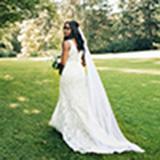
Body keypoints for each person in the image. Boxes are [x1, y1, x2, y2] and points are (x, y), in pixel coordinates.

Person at [48, 20, 145, 154]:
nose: (65, 31)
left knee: (70, 100)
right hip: (80, 74)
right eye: (64, 28)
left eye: (67, 29)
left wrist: (58, 63)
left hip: (70, 73)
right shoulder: (81, 44)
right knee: (79, 101)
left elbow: (64, 62)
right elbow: (83, 62)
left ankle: (74, 128)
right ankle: (76, 125)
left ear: (73, 30)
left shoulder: (66, 43)